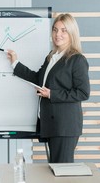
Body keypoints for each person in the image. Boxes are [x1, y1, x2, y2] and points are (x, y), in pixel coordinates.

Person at [6, 13, 91, 163]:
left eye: (64, 30)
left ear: (72, 33)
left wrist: (52, 94)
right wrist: (15, 63)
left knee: (62, 169)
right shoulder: (52, 56)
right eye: (55, 30)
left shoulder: (77, 60)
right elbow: (39, 79)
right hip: (53, 124)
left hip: (65, 126)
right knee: (56, 168)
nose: (58, 34)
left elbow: (83, 93)